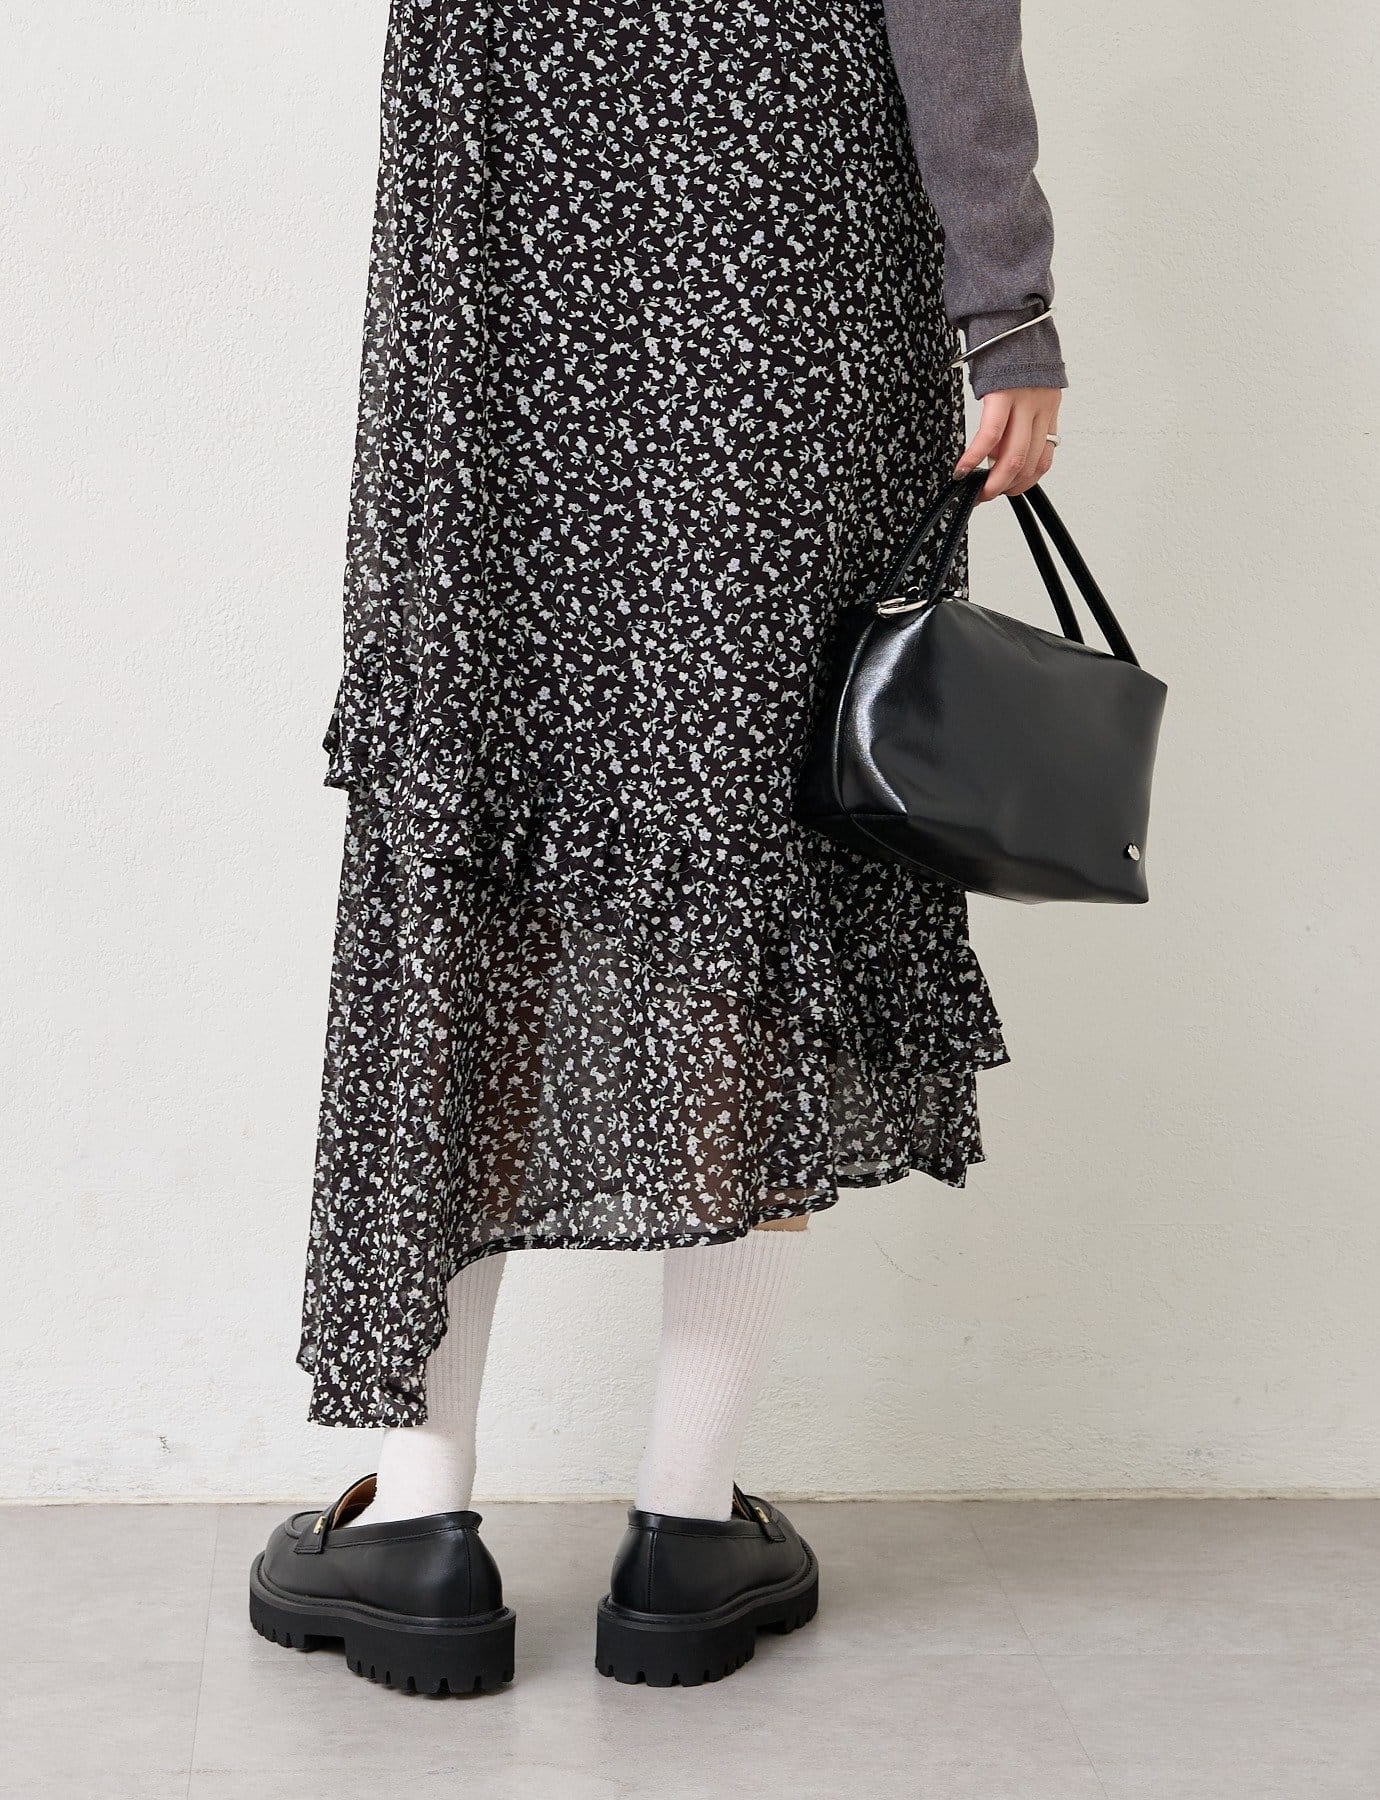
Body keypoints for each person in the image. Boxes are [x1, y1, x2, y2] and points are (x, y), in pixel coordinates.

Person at [249, 0, 1066, 1693]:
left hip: (502, 263)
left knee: (478, 823)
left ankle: (419, 1521)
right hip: (784, 254)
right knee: (760, 823)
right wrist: (1007, 313)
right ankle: (688, 1526)